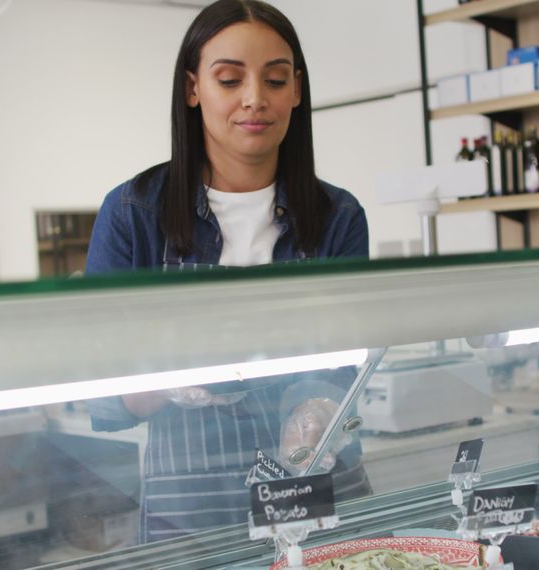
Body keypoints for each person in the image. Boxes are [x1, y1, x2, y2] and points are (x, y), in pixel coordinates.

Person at [84, 0, 372, 544]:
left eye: (275, 79)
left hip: (315, 490)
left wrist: (314, 413)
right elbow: (102, 395)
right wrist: (175, 378)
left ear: (297, 91)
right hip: (194, 509)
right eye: (229, 79)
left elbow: (345, 363)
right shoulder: (133, 213)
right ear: (193, 88)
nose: (255, 99)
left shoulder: (339, 217)